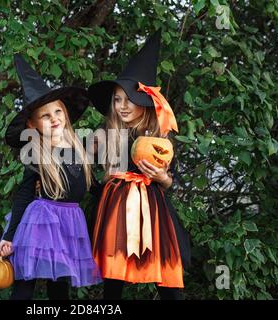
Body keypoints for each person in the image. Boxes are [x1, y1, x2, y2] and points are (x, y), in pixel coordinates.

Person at [88, 31, 191, 300]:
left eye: (129, 99)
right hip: (115, 210)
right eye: (117, 99)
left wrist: (163, 178)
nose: (122, 106)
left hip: (153, 213)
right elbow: (83, 168)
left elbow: (172, 181)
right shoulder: (106, 134)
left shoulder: (158, 137)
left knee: (167, 278)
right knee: (113, 280)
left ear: (145, 103)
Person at [0, 54, 102, 300]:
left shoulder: (79, 148)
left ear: (65, 114)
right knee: (26, 280)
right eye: (46, 116)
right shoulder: (36, 153)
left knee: (60, 282)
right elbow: (24, 193)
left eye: (58, 111)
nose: (54, 118)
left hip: (70, 221)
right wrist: (10, 236)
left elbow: (91, 185)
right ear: (32, 125)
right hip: (42, 219)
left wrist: (116, 190)